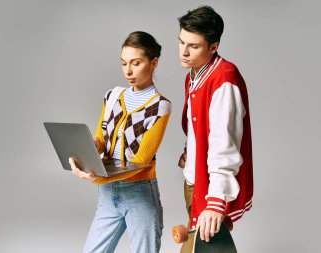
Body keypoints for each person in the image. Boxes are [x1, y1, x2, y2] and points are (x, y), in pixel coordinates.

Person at [69, 31, 171, 253]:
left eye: (136, 63)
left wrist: (98, 176)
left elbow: (141, 161)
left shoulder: (159, 106)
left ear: (153, 63)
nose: (128, 71)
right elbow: (101, 139)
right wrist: (87, 152)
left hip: (140, 194)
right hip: (108, 194)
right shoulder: (112, 96)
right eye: (124, 63)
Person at [176, 6, 254, 252]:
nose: (184, 52)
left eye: (194, 46)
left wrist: (216, 201)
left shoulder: (224, 79)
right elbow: (199, 126)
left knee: (202, 247)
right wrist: (190, 151)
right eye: (181, 42)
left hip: (211, 186)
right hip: (194, 178)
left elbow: (225, 143)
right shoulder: (193, 76)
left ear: (213, 46)